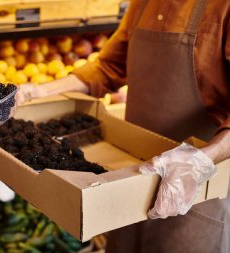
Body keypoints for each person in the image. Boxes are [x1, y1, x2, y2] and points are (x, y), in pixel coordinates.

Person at [16, 0, 230, 252]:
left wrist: (200, 161)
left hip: (194, 188)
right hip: (132, 179)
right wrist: (38, 91)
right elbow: (109, 65)